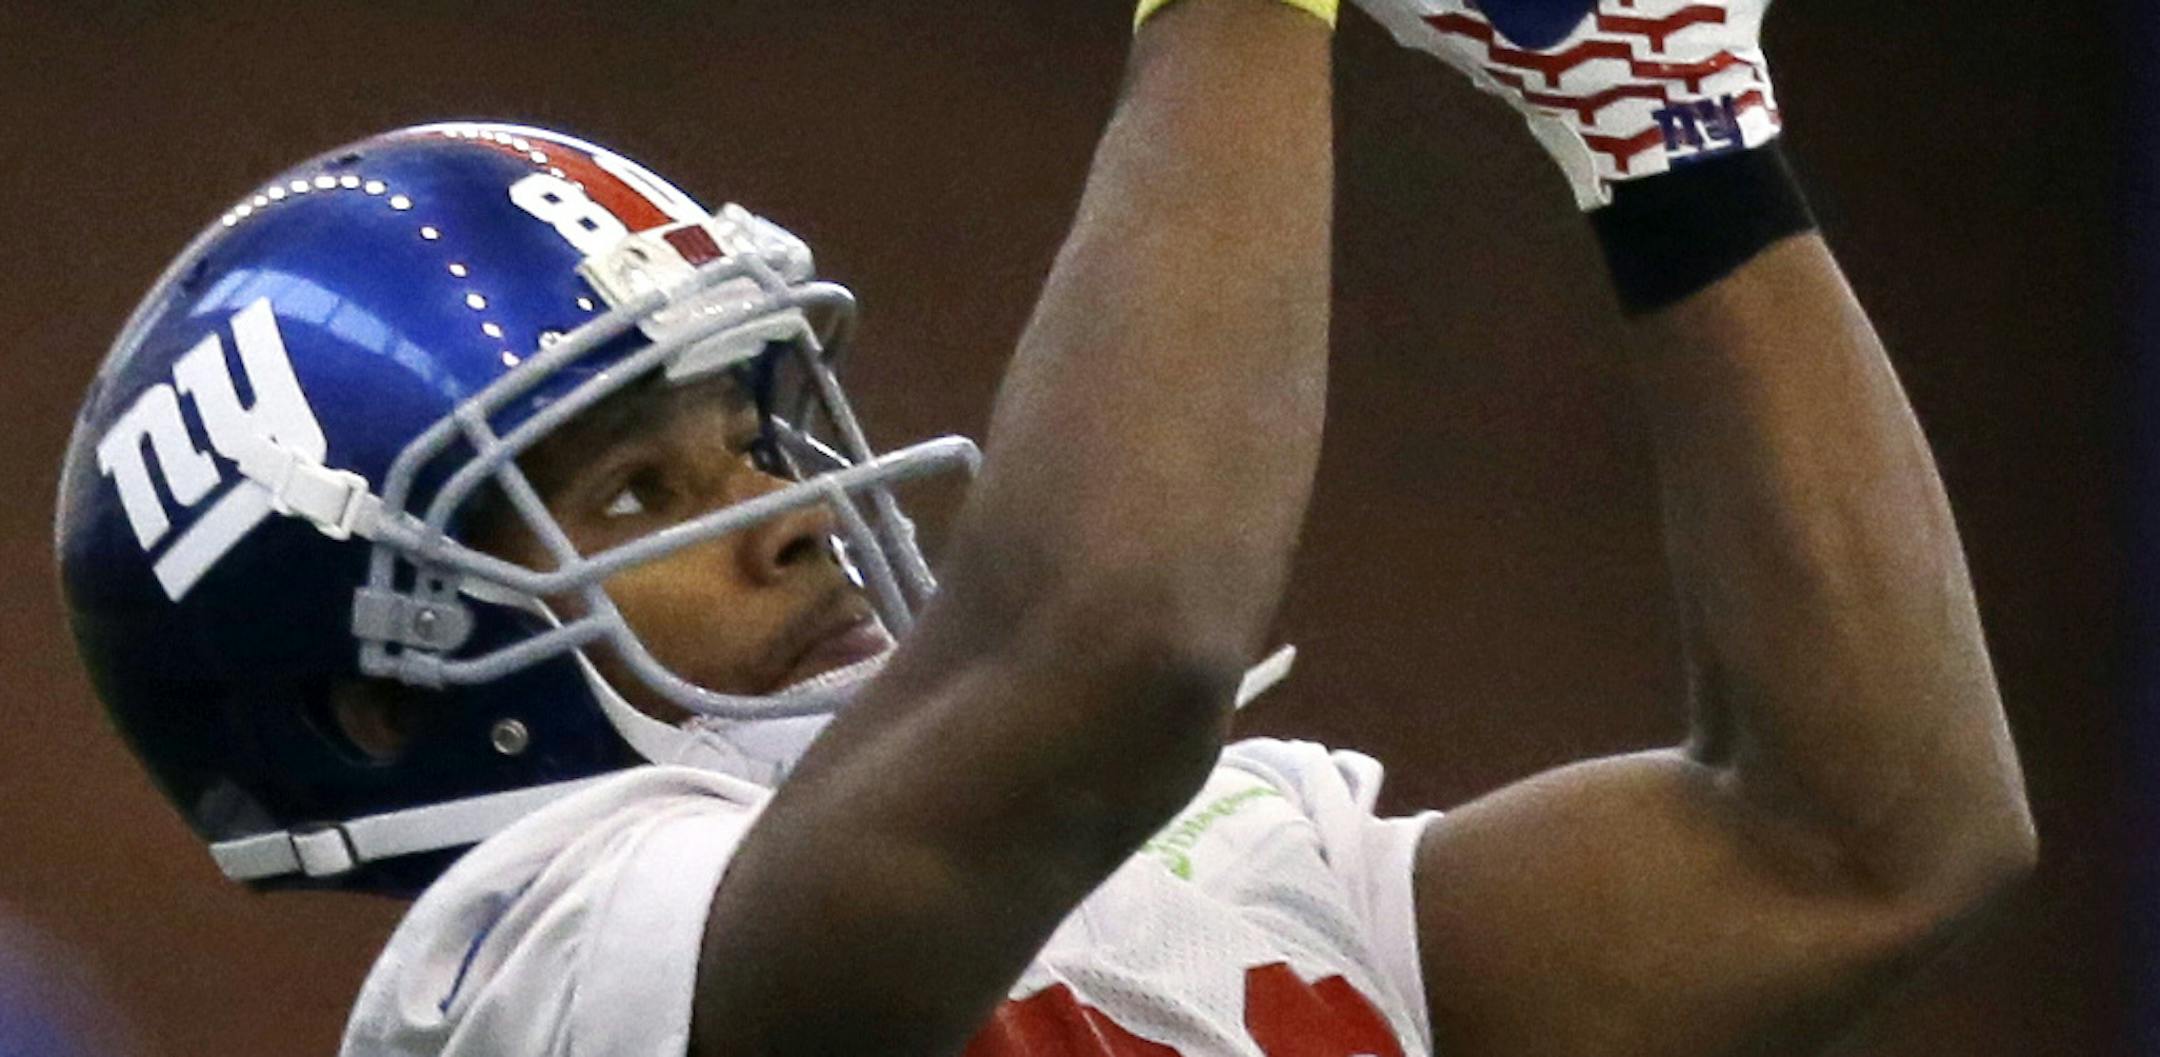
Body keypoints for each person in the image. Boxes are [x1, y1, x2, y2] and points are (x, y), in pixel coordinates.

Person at [54, 0, 2036, 1053]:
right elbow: (1117, 641)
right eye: (639, 491)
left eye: (751, 435)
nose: (786, 522)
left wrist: (1670, 135)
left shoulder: (1167, 869)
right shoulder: (533, 968)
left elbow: (1863, 845)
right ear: (380, 704)